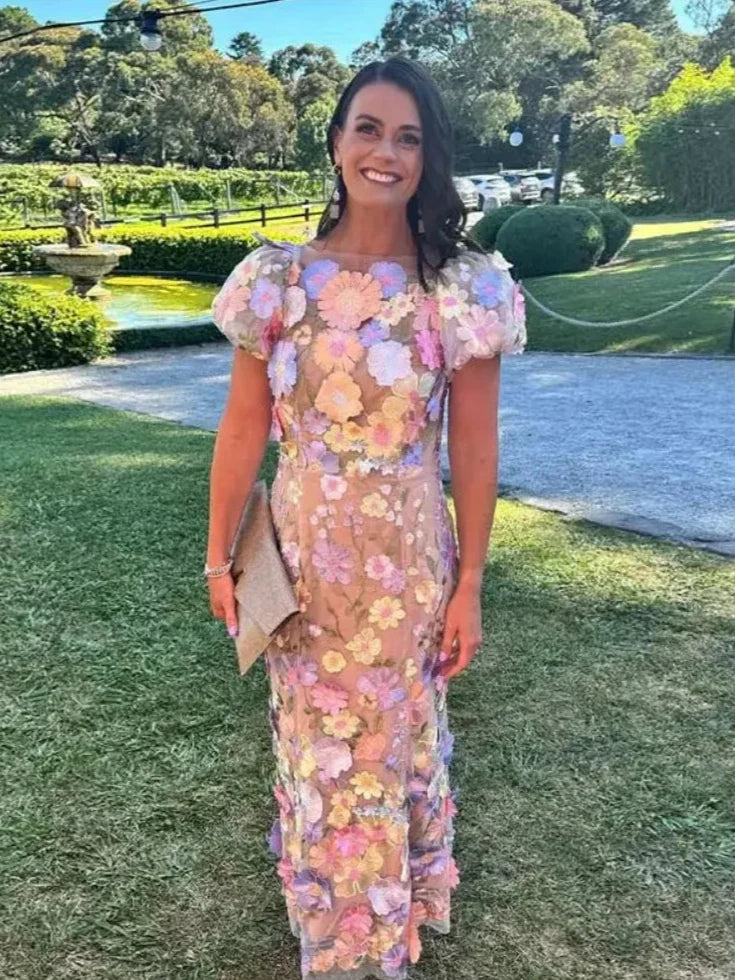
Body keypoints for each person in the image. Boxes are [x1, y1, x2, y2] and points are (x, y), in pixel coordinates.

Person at [205, 55, 526, 980]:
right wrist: (219, 559)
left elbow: (474, 449)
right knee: (318, 753)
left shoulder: (461, 288)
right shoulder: (275, 278)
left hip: (406, 569)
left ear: (429, 157)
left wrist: (470, 583)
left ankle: (387, 926)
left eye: (408, 137)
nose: (386, 152)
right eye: (369, 129)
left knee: (390, 745)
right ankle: (336, 928)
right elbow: (242, 428)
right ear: (337, 141)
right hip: (300, 564)